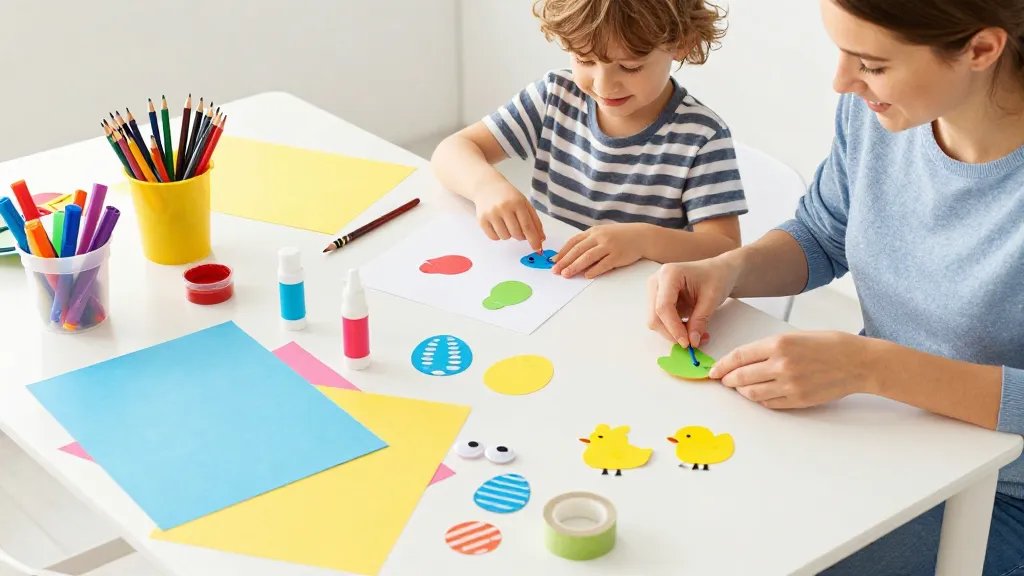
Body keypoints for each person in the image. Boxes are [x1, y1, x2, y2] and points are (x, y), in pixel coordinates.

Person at [647, 0, 1024, 573]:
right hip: (878, 433)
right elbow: (824, 234)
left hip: (1002, 496)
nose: (843, 81)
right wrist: (730, 270)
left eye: (872, 64)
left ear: (981, 49)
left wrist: (871, 367)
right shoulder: (880, 114)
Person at [431, 0, 747, 280]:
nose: (604, 85)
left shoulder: (702, 136)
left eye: (630, 67)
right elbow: (452, 151)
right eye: (584, 60)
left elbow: (724, 249)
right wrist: (485, 187)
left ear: (682, 44)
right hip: (550, 281)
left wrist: (642, 241)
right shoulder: (556, 96)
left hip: (635, 297)